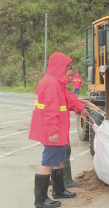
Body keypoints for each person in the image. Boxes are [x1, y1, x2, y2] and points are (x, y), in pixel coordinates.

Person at [29, 52, 89, 208]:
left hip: (59, 129)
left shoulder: (57, 82)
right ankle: (41, 200)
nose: (69, 77)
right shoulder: (51, 83)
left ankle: (59, 189)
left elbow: (67, 97)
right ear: (60, 68)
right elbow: (50, 110)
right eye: (67, 72)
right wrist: (52, 132)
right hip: (53, 130)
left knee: (59, 159)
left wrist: (80, 107)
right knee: (48, 162)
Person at [64, 67, 84, 188]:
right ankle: (65, 180)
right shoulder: (59, 87)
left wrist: (74, 108)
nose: (71, 79)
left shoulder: (63, 87)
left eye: (72, 76)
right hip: (58, 127)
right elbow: (69, 100)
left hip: (62, 124)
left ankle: (56, 178)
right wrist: (81, 108)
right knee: (64, 151)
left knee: (58, 153)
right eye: (69, 76)